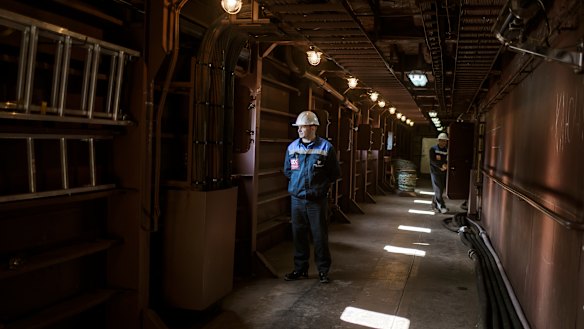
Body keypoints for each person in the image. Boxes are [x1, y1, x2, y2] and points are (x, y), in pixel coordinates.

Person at [283, 111, 341, 284]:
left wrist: (319, 188)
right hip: (297, 199)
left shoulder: (326, 148)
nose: (299, 130)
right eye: (298, 127)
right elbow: (288, 171)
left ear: (313, 127)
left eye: (303, 127)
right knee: (299, 235)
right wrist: (298, 186)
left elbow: (334, 173)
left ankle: (323, 271)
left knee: (319, 236)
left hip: (317, 201)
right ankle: (300, 269)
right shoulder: (292, 148)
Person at [429, 132, 449, 213]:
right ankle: (442, 206)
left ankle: (434, 205)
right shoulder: (433, 149)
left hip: (443, 172)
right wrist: (440, 166)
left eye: (445, 141)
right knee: (438, 189)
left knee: (440, 189)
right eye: (442, 141)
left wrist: (446, 165)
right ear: (438, 141)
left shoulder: (446, 150)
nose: (444, 142)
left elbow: (448, 159)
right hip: (435, 172)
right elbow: (432, 161)